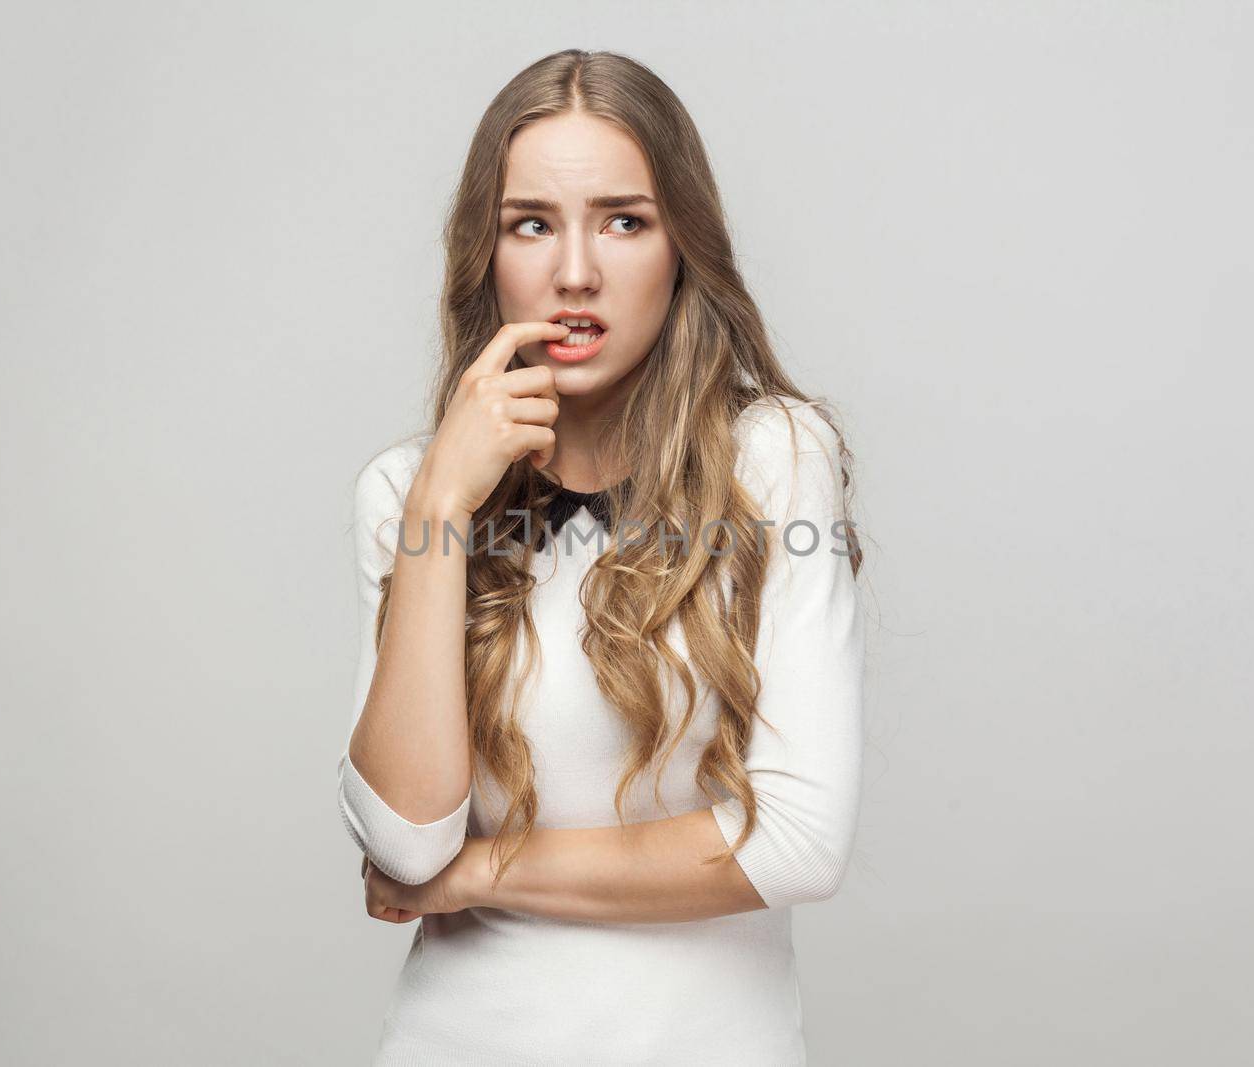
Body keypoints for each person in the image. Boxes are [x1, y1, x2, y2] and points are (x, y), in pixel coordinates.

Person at [337, 48, 867, 1065]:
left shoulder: (772, 459)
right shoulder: (405, 495)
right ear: (484, 254)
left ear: (682, 245)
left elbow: (799, 838)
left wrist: (481, 873)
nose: (575, 271)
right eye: (531, 223)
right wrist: (442, 502)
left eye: (623, 220)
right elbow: (406, 844)